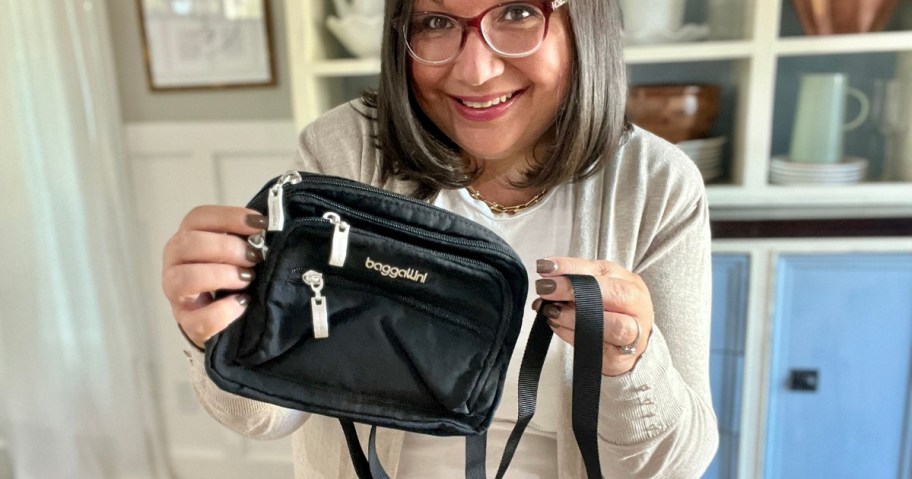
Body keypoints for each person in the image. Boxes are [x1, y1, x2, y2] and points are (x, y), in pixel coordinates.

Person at [161, 0, 719, 477]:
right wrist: (217, 329)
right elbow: (267, 417)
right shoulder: (345, 152)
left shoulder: (656, 186)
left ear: (585, 21)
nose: (474, 70)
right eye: (433, 22)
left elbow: (672, 466)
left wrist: (632, 365)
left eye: (519, 12)